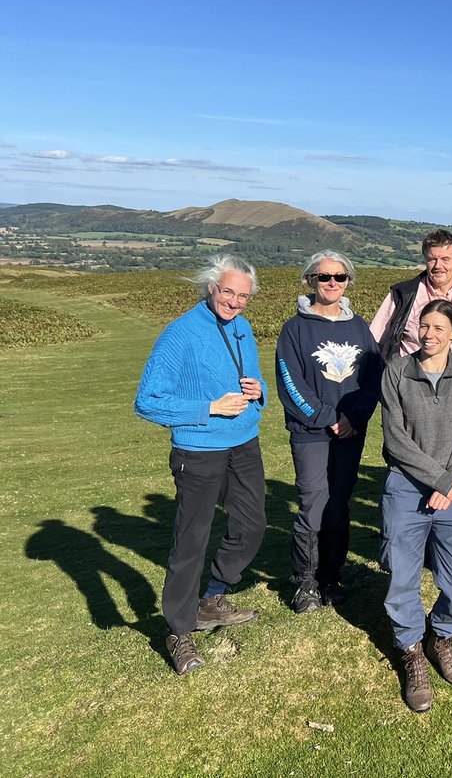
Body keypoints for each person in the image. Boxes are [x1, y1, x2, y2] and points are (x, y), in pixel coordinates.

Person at [134, 254, 268, 676]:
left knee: (252, 525)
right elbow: (147, 401)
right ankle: (178, 629)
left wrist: (258, 389)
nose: (235, 302)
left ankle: (213, 595)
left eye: (243, 296)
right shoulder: (179, 334)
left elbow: (255, 380)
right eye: (228, 291)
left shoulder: (243, 328)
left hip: (245, 442)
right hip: (199, 450)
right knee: (192, 538)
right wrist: (210, 407)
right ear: (211, 287)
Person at [379, 300, 452, 713]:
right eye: (425, 325)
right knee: (401, 579)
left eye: (440, 327)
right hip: (405, 487)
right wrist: (438, 479)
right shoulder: (397, 372)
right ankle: (411, 650)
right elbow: (395, 440)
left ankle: (441, 636)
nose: (430, 334)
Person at [275, 251, 382, 613]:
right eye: (324, 277)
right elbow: (291, 383)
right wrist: (328, 418)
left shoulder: (359, 327)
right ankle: (304, 582)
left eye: (340, 277)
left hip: (351, 432)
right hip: (312, 431)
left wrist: (354, 416)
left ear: (349, 281)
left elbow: (373, 377)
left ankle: (331, 576)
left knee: (338, 504)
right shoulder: (295, 329)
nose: (332, 283)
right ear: (310, 281)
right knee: (313, 503)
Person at [369, 229, 452, 388]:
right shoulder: (402, 294)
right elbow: (374, 343)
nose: (439, 266)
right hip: (407, 386)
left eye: (446, 259)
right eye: (433, 259)